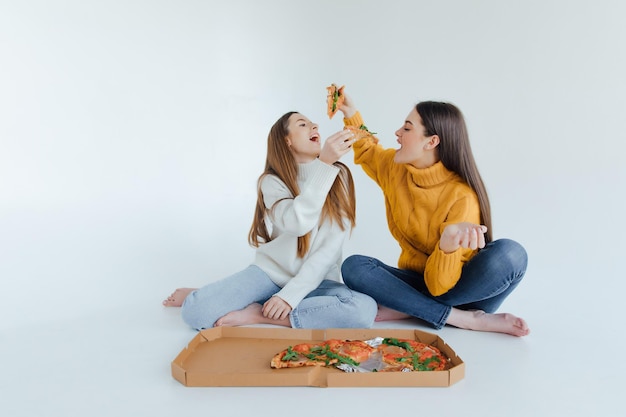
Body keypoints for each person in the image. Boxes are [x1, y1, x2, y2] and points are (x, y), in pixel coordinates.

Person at [337, 90, 530, 337]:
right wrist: (351, 113)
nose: (397, 133)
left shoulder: (462, 197)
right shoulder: (395, 169)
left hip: (459, 289)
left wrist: (447, 245)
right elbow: (366, 149)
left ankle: (412, 307)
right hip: (418, 283)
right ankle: (461, 318)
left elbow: (440, 287)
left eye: (407, 129)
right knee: (354, 267)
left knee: (511, 254)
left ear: (431, 142)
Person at [163, 111, 377, 330]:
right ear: (288, 140)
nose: (315, 127)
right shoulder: (273, 181)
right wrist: (324, 164)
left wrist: (290, 296)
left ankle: (260, 313)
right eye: (303, 124)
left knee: (363, 309)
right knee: (197, 311)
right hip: (270, 275)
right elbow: (297, 224)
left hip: (316, 281)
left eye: (313, 124)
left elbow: (329, 249)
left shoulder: (338, 175)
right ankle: (209, 294)